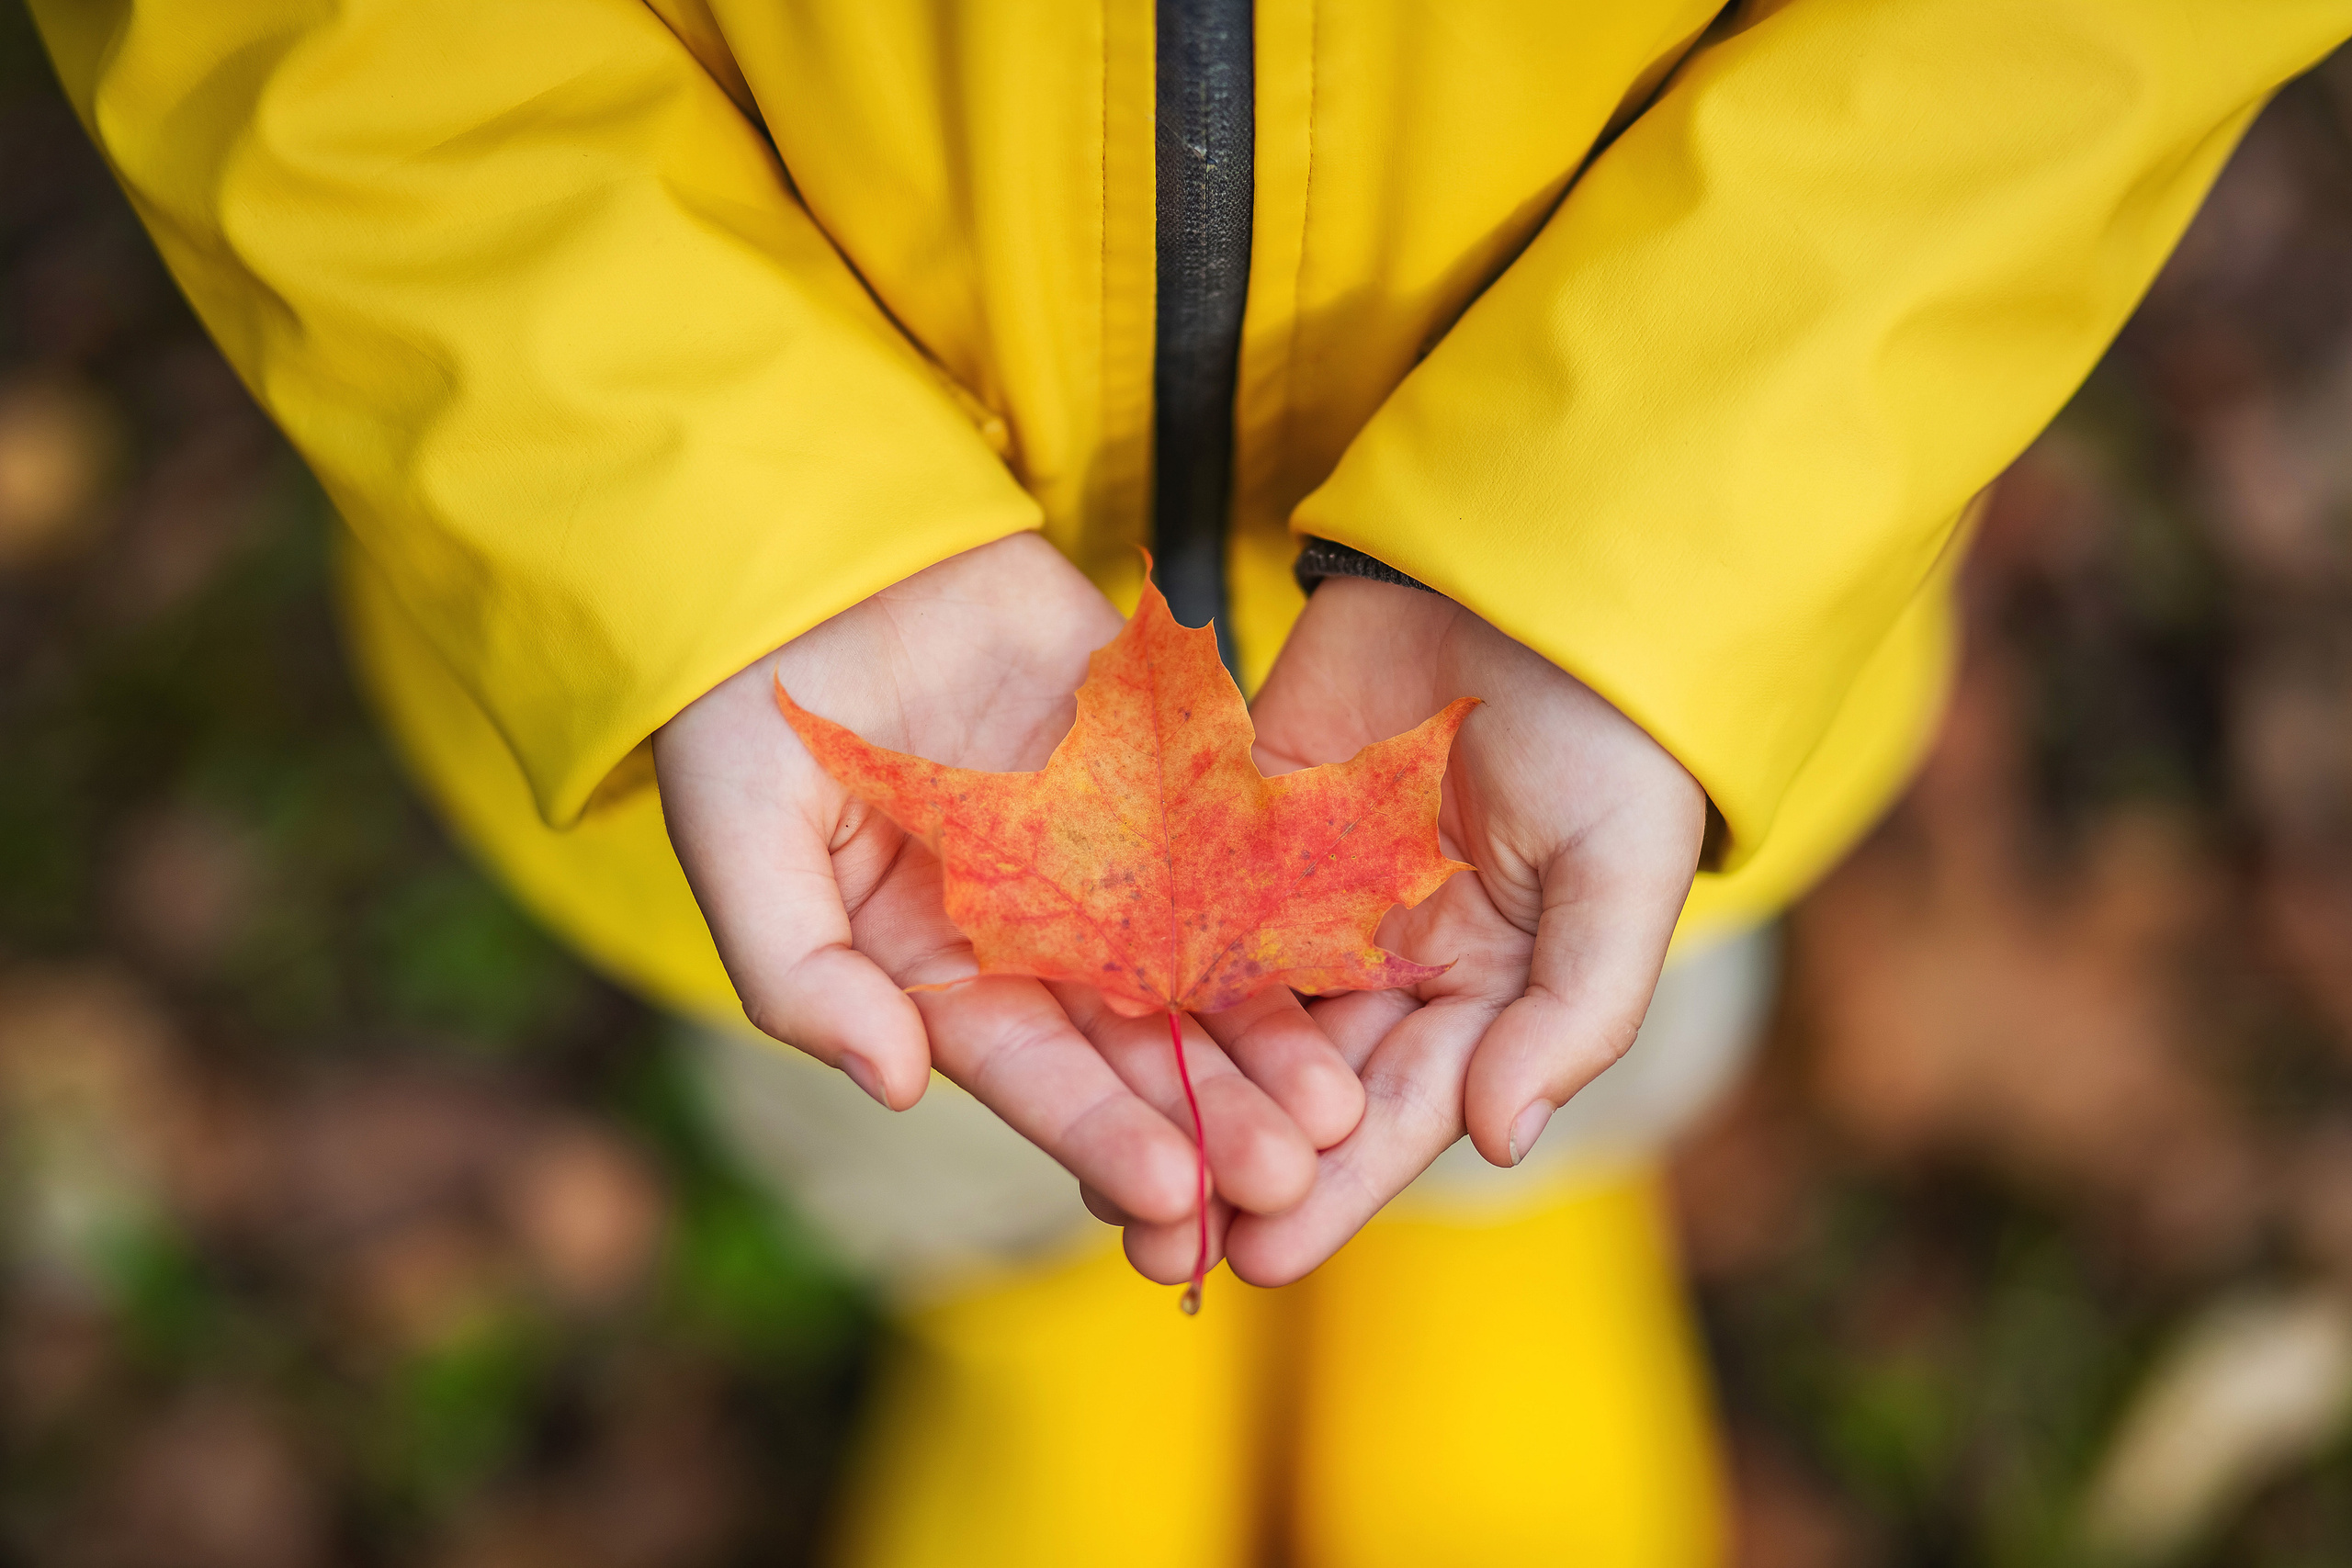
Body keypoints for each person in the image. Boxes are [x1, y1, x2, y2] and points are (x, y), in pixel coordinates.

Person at [34, 2, 2351, 1562]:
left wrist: (1661, 526)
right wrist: (697, 528)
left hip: (1658, 558)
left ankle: (1505, 1227)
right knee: (895, 1081)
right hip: (726, 550)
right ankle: (1029, 1319)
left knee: (1573, 1023)